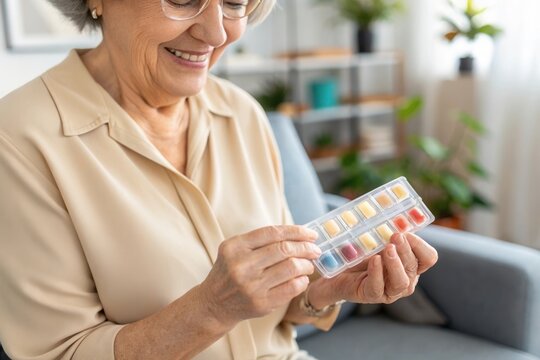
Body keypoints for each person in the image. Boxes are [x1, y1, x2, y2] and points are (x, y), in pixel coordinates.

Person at [0, 0, 439, 359]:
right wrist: (210, 309)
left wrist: (325, 290)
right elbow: (59, 353)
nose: (216, 33)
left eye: (234, 3)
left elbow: (281, 308)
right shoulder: (20, 137)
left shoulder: (242, 112)